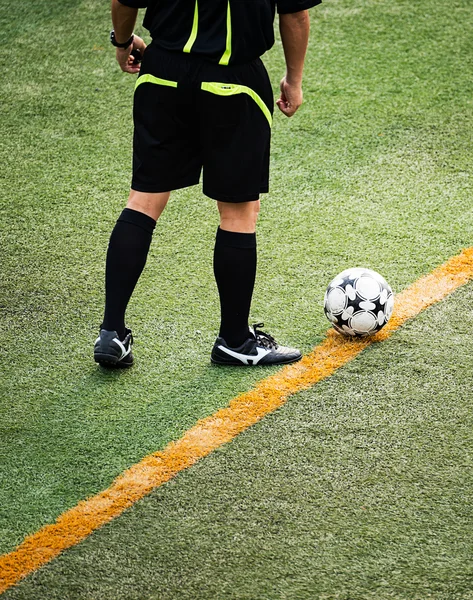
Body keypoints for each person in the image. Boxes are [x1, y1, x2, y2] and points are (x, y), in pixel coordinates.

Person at [94, 0, 320, 368]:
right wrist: (293, 80)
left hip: (162, 73)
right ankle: (235, 340)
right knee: (238, 212)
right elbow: (294, 13)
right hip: (234, 83)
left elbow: (124, 1)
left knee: (143, 201)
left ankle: (111, 333)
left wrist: (122, 43)